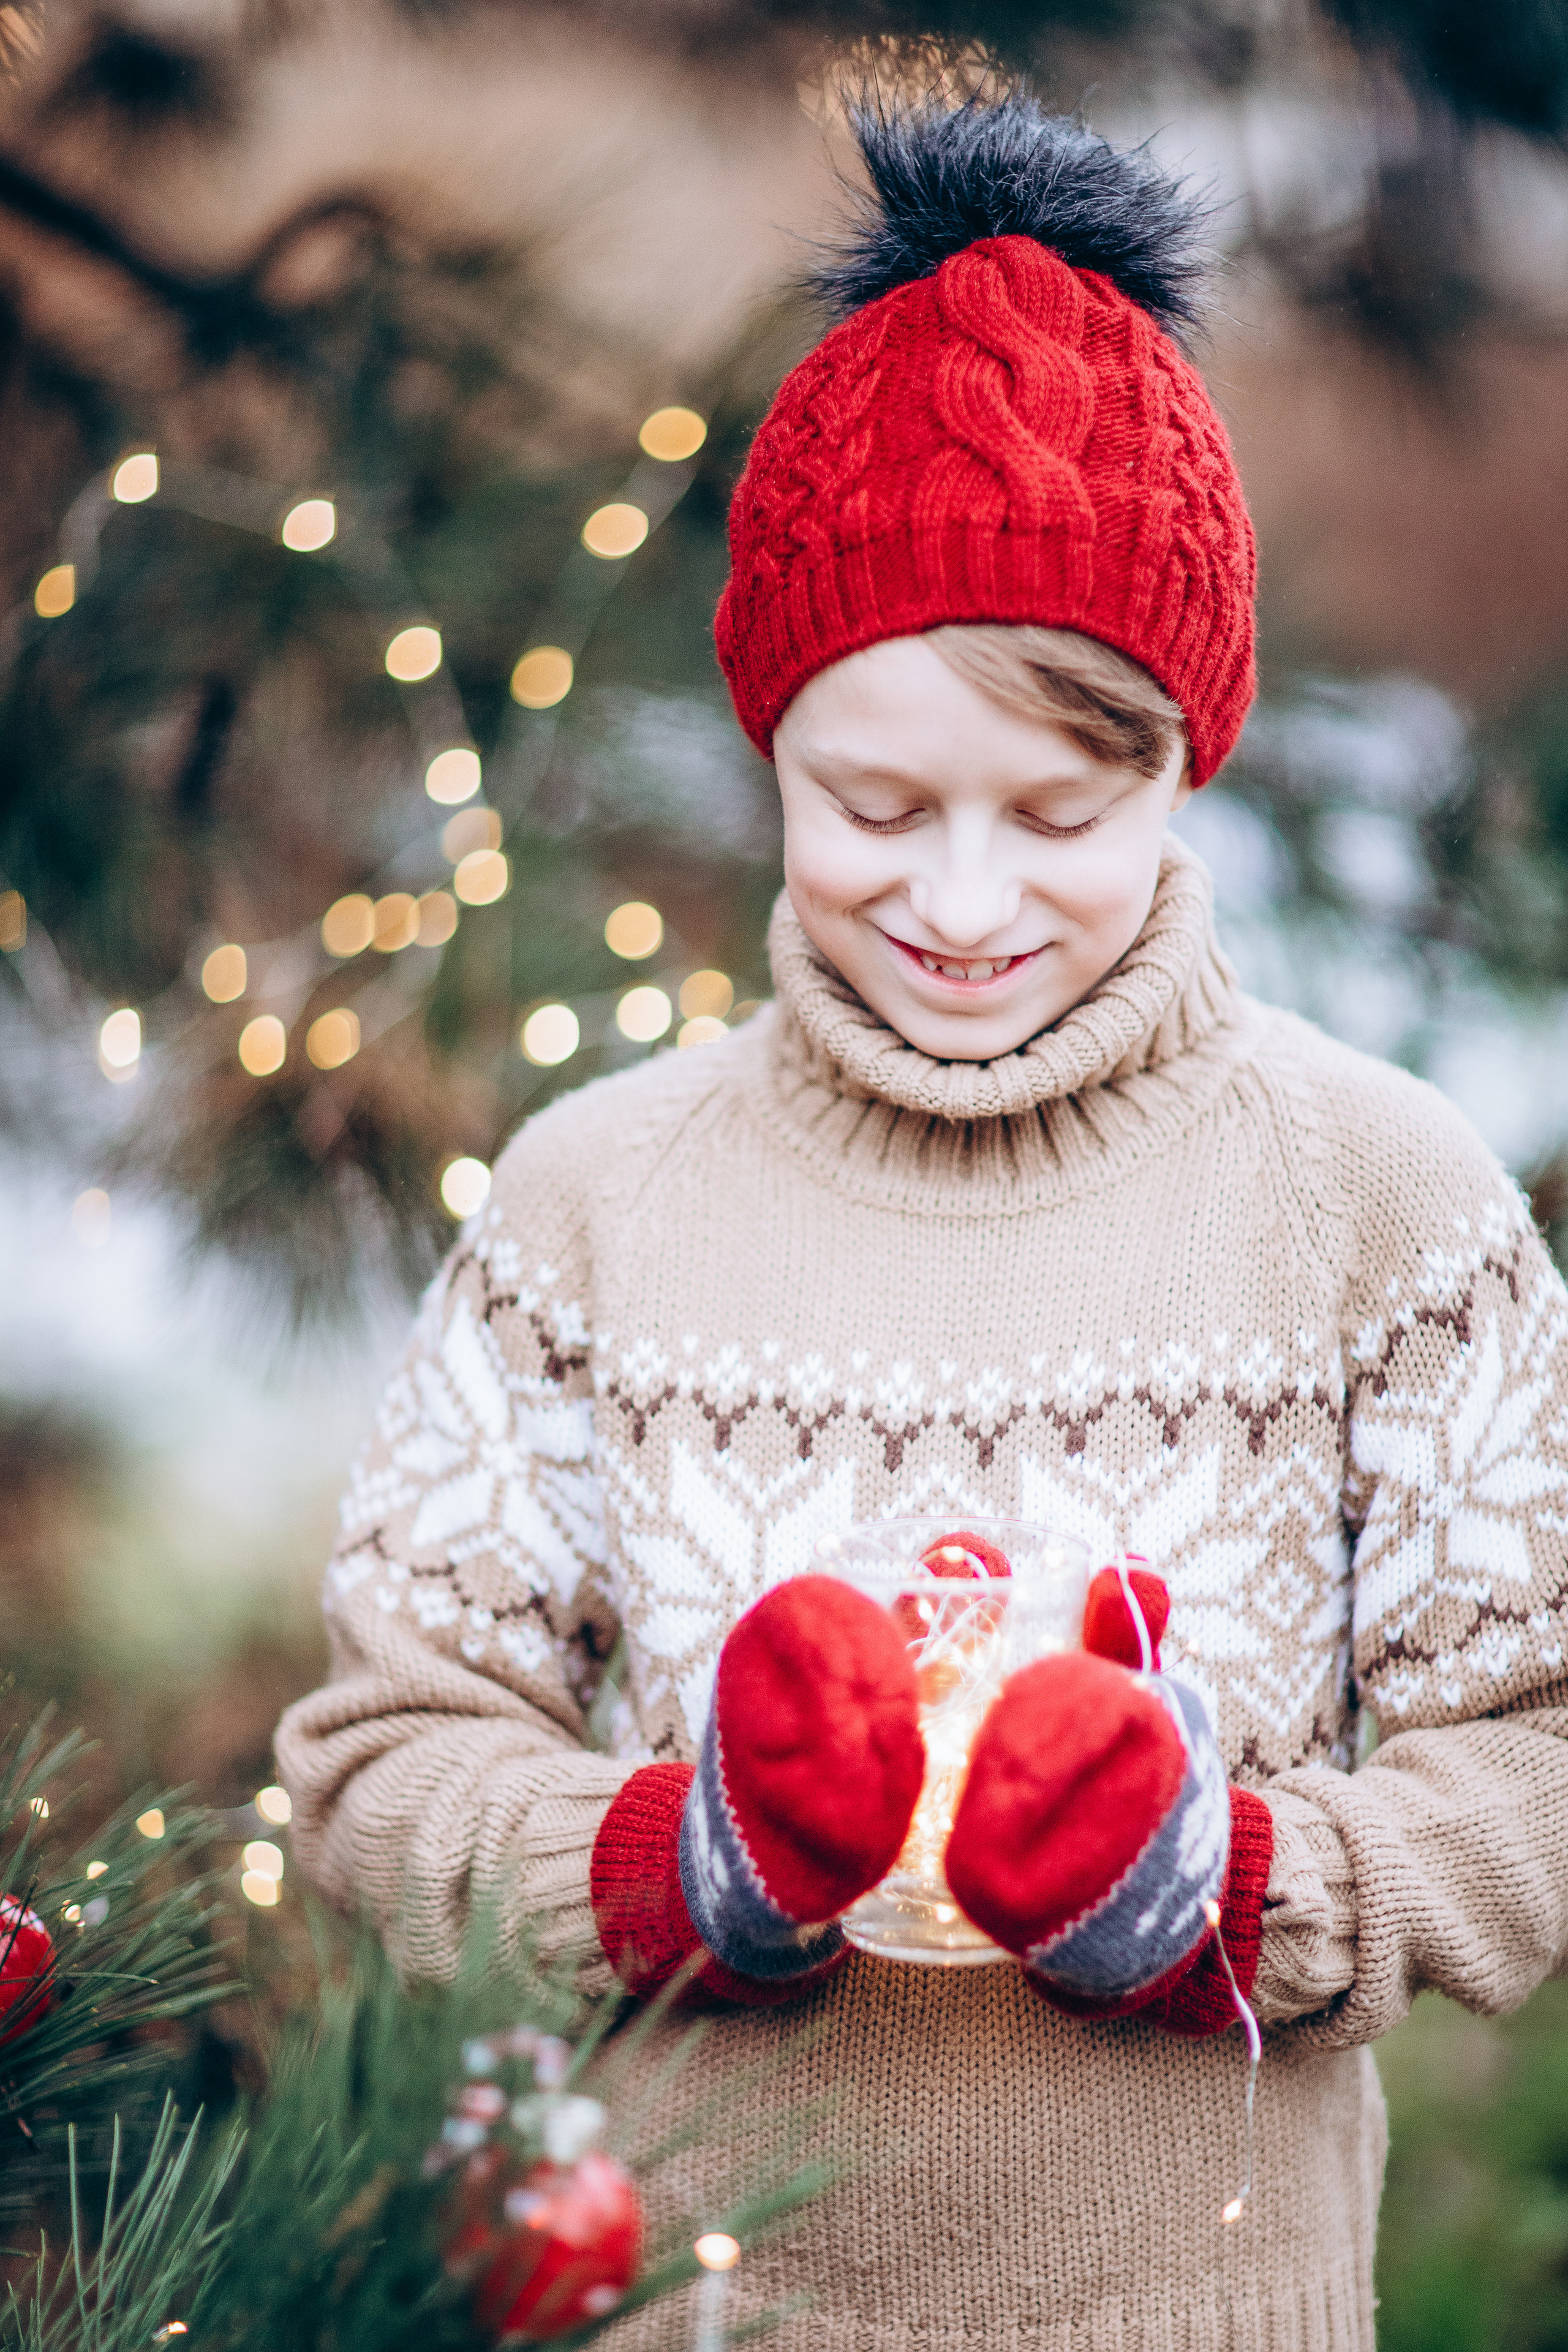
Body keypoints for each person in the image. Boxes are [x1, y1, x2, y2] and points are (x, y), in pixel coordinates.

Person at [276, 90, 1568, 2350]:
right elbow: (385, 1765)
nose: (963, 906)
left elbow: (1533, 1774)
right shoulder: (600, 1205)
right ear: (766, 737)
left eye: (1064, 812)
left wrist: (1223, 1888)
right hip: (695, 2315)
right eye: (870, 805)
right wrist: (682, 1866)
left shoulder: (1380, 1204)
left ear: (1193, 758)